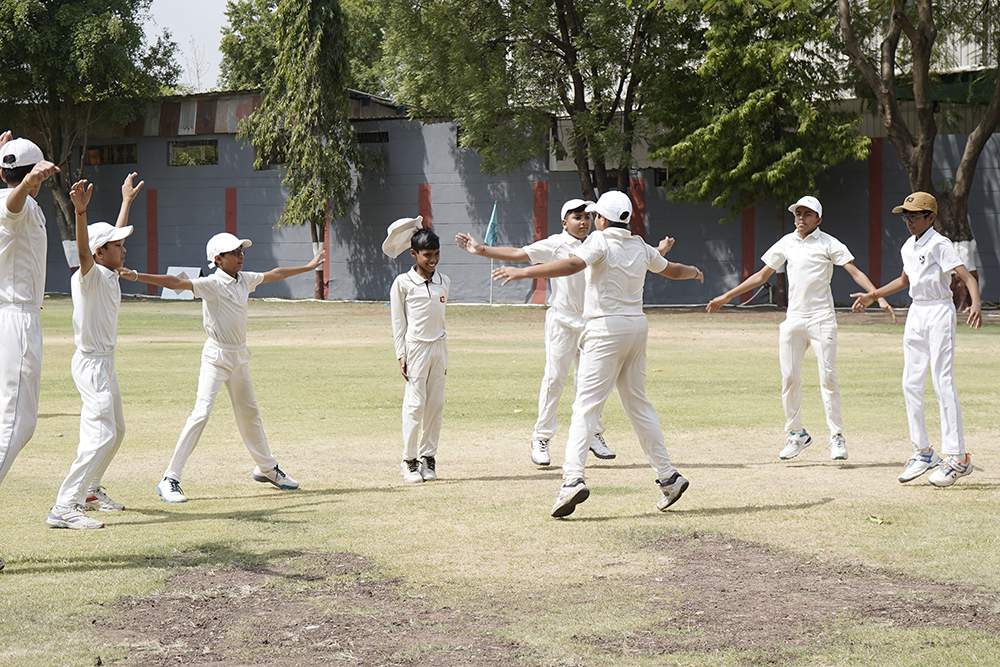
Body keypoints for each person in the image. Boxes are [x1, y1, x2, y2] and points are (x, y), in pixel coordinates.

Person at [493, 190, 703, 517]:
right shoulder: (638, 244)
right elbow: (672, 270)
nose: (592, 221)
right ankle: (668, 477)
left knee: (585, 408)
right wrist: (694, 270)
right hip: (636, 328)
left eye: (595, 216)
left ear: (603, 218)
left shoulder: (599, 241)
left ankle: (572, 481)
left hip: (605, 330)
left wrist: (524, 272)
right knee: (639, 406)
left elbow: (571, 264)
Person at [457, 199, 673, 467]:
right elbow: (519, 253)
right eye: (577, 217)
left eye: (587, 217)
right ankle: (541, 437)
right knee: (555, 378)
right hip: (562, 319)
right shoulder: (556, 244)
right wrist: (482, 250)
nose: (583, 222)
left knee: (590, 383)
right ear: (564, 222)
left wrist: (659, 250)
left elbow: (634, 252)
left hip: (592, 323)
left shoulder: (599, 240)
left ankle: (594, 434)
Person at [120, 233, 322, 502]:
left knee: (250, 414)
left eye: (241, 251)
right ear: (218, 259)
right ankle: (170, 479)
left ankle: (266, 468)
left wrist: (308, 267)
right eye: (235, 252)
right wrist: (135, 276)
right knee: (201, 414)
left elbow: (275, 274)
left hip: (239, 357)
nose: (241, 256)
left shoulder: (245, 279)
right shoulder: (211, 284)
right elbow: (175, 282)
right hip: (216, 357)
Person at [706, 196, 893, 462]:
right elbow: (761, 276)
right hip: (793, 320)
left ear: (818, 219)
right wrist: (726, 297)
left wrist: (877, 296)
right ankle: (797, 434)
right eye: (797, 214)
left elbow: (854, 271)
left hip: (822, 319)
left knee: (828, 379)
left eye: (807, 214)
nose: (801, 218)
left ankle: (836, 436)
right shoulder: (787, 242)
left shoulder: (829, 243)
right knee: (789, 378)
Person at [852, 191, 981, 487]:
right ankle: (923, 452)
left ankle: (958, 457)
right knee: (910, 382)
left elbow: (967, 277)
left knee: (942, 380)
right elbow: (904, 281)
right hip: (917, 312)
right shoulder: (908, 246)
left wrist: (975, 303)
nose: (909, 221)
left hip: (939, 310)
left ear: (931, 217)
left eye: (915, 216)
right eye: (906, 217)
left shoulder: (940, 244)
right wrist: (873, 295)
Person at [46, 174, 142, 529]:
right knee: (100, 435)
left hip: (105, 363)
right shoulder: (89, 276)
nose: (124, 249)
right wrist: (80, 213)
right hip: (91, 365)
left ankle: (89, 491)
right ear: (100, 252)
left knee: (116, 430)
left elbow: (109, 242)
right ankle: (63, 506)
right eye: (117, 246)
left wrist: (126, 201)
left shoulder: (110, 271)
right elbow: (86, 251)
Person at [0, 134, 59, 566]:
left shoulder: (18, 198)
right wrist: (24, 182)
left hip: (16, 316)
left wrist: (16, 174)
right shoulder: (15, 204)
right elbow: (12, 204)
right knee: (14, 424)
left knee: (16, 422)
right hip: (16, 318)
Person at [386, 221, 450, 484]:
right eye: (427, 255)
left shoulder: (444, 281)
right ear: (414, 254)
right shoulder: (403, 283)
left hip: (439, 347)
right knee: (415, 405)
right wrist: (401, 354)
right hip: (416, 348)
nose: (433, 260)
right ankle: (409, 460)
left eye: (436, 254)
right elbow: (398, 321)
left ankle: (428, 457)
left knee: (436, 404)